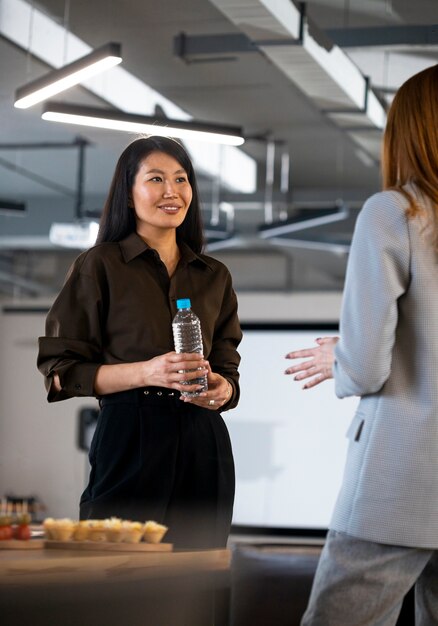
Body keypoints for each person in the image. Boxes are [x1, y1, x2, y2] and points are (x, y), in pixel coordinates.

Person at [285, 64, 438, 625]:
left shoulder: (395, 213)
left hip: (399, 482)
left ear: (409, 132)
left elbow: (367, 367)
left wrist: (338, 358)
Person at [37, 135, 242, 551]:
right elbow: (61, 374)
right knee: (114, 572)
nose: (172, 191)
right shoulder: (100, 265)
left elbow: (228, 367)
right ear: (129, 197)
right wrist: (148, 371)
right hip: (130, 431)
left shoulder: (213, 275)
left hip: (203, 438)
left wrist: (225, 388)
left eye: (181, 179)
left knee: (197, 582)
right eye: (156, 179)